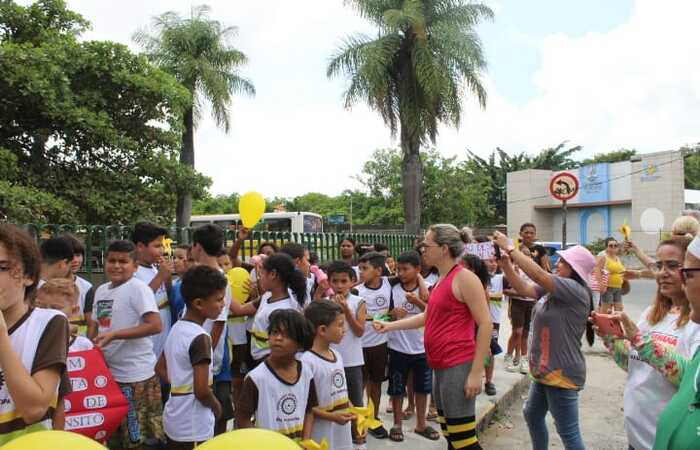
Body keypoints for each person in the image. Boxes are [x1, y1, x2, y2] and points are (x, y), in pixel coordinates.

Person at [375, 224, 492, 450]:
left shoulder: (465, 278)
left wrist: (476, 373)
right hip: (440, 365)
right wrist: (389, 326)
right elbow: (427, 317)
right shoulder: (442, 280)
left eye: (426, 245)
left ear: (444, 248)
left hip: (457, 364)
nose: (422, 250)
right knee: (450, 434)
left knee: (464, 441)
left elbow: (485, 323)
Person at [493, 231, 595, 450]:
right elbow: (526, 289)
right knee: (532, 415)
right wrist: (507, 266)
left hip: (561, 373)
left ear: (575, 269)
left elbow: (538, 275)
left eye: (564, 262)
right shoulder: (555, 290)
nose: (558, 263)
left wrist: (511, 248)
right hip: (545, 370)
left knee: (569, 433)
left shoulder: (575, 290)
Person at [595, 237, 699, 450]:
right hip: (636, 437)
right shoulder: (651, 315)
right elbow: (633, 364)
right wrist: (610, 338)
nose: (662, 272)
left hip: (664, 442)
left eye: (672, 265)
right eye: (658, 266)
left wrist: (639, 340)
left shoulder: (696, 323)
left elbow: (690, 381)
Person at [88, 239, 164, 450]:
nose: (117, 266)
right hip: (108, 377)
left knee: (136, 438)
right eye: (112, 260)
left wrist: (115, 335)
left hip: (136, 377)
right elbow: (97, 325)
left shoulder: (138, 289)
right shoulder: (101, 290)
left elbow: (155, 325)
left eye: (123, 261)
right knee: (114, 437)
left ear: (135, 266)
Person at [0, 224, 70, 445]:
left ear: (29, 276)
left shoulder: (49, 323)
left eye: (2, 267)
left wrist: (1, 335)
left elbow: (34, 409)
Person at [157, 266, 226, 450]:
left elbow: (160, 368)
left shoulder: (177, 328)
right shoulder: (201, 337)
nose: (223, 304)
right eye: (219, 300)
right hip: (194, 426)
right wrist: (217, 407)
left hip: (174, 416)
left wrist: (180, 386)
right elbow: (202, 391)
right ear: (199, 303)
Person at [237, 309, 316, 441]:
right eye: (275, 332)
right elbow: (242, 419)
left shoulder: (306, 372)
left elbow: (309, 410)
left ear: (300, 344)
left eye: (287, 335)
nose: (278, 338)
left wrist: (306, 440)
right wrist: (265, 442)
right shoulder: (256, 378)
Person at [190, 224, 240, 435]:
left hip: (209, 359)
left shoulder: (220, 279)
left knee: (215, 410)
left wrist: (206, 355)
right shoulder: (194, 275)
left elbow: (219, 324)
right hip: (196, 352)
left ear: (197, 247)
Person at [386, 251, 438, 442]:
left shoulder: (430, 288)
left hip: (422, 348)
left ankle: (421, 424)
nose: (401, 273)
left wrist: (417, 301)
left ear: (417, 270)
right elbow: (383, 315)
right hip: (397, 347)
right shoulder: (391, 287)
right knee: (397, 388)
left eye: (405, 269)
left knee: (423, 388)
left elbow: (435, 313)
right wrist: (392, 314)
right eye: (398, 269)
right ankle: (397, 424)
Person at [302, 300, 356, 450]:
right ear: (323, 330)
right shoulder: (307, 361)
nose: (344, 329)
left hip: (341, 428)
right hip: (322, 432)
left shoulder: (337, 355)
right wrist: (332, 417)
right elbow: (307, 406)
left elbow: (342, 392)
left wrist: (354, 412)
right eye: (339, 325)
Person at [325, 260, 367, 449]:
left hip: (352, 361)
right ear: (329, 282)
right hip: (329, 361)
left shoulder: (358, 302)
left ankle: (359, 440)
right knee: (332, 402)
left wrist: (346, 310)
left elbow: (359, 331)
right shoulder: (324, 304)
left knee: (356, 402)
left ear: (352, 281)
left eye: (344, 281)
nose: (340, 286)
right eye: (335, 281)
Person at [356, 251, 393, 439]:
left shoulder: (389, 284)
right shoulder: (356, 291)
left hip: (380, 344)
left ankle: (373, 418)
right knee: (358, 385)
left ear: (378, 270)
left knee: (376, 384)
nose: (361, 272)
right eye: (359, 268)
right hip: (358, 346)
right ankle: (356, 420)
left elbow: (412, 274)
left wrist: (394, 315)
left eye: (365, 268)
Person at [250, 253, 306, 362]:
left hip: (273, 363)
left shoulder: (284, 310)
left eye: (261, 273)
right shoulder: (267, 296)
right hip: (263, 360)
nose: (259, 277)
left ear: (273, 274)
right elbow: (240, 309)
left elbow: (286, 347)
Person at [132, 222, 172, 361]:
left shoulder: (154, 268)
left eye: (162, 246)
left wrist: (167, 278)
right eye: (157, 246)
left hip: (164, 331)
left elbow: (166, 294)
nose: (161, 250)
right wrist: (161, 275)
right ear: (140, 247)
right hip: (150, 337)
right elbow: (141, 298)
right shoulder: (134, 272)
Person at [503, 255, 536, 375]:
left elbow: (538, 289)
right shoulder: (513, 270)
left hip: (530, 304)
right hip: (517, 303)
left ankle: (523, 359)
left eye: (529, 257)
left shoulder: (534, 271)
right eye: (523, 256)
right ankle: (508, 357)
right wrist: (520, 293)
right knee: (517, 332)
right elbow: (505, 290)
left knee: (526, 334)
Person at [61, 233, 94, 334]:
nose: (75, 260)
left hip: (78, 344)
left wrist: (88, 344)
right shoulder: (44, 284)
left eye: (78, 255)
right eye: (70, 256)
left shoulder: (86, 287)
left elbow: (90, 324)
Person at [484, 255, 504, 396]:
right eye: (490, 261)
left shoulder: (499, 278)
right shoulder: (473, 278)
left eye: (495, 261)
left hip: (493, 321)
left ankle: (488, 381)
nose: (494, 264)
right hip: (474, 320)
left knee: (490, 350)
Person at [597, 237, 626, 313]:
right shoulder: (603, 257)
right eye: (610, 245)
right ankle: (602, 323)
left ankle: (614, 325)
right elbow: (597, 270)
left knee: (619, 311)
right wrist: (601, 284)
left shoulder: (617, 258)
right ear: (606, 247)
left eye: (615, 245)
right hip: (608, 288)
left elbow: (621, 271)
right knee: (606, 312)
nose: (613, 247)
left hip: (618, 288)